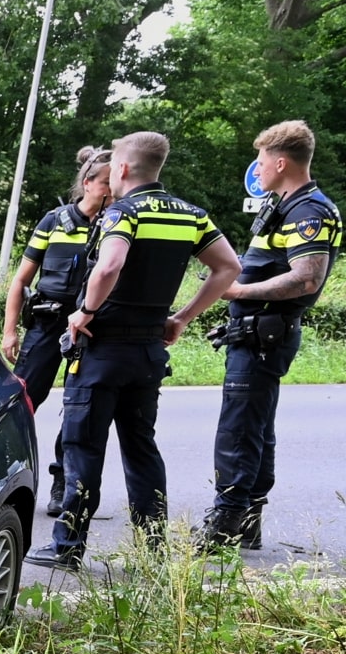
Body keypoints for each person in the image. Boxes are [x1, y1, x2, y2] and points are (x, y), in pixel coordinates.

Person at [25, 132, 240, 571]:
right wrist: (181, 318)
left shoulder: (124, 213)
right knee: (141, 446)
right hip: (147, 350)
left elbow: (109, 265)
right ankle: (153, 549)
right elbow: (228, 267)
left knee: (83, 446)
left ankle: (67, 547)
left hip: (102, 349)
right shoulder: (192, 215)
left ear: (122, 169)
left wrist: (84, 311)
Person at [197, 120, 342, 551]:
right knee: (256, 428)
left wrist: (238, 290)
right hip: (254, 333)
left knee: (239, 430)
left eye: (261, 162)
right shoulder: (286, 205)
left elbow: (305, 280)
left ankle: (226, 521)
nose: (257, 170)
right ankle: (248, 523)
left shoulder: (309, 212)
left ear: (281, 162)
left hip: (265, 335)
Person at [1, 148, 114, 516]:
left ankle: (62, 482)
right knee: (19, 403)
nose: (112, 191)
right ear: (87, 183)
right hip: (47, 326)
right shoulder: (53, 221)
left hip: (92, 330)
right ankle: (4, 471)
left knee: (79, 410)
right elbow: (21, 280)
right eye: (105, 184)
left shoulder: (118, 224)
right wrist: (9, 331)